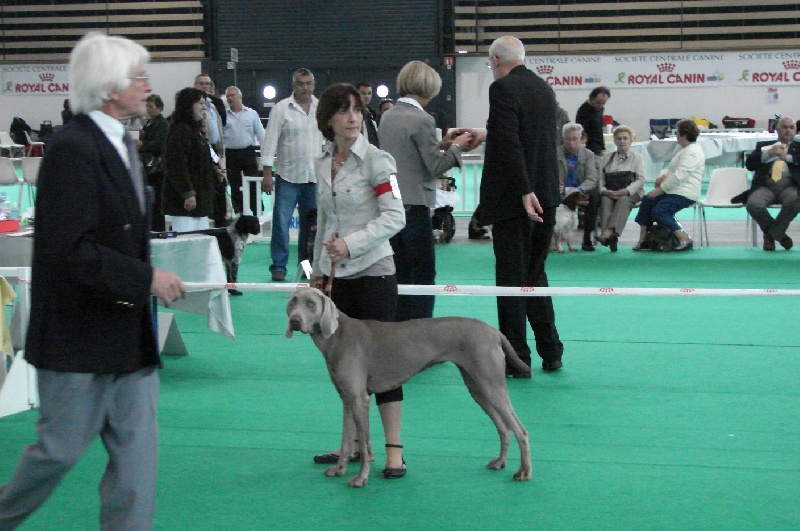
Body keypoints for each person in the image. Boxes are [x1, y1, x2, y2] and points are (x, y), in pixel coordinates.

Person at [0, 32, 186, 530]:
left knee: (136, 466)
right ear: (109, 88)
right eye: (139, 76)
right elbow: (68, 250)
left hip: (127, 340)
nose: (148, 84)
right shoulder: (71, 149)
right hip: (76, 338)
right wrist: (146, 277)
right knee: (56, 453)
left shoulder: (124, 143)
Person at [308, 83, 407, 478]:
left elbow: (395, 217)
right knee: (345, 368)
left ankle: (394, 450)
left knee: (384, 366)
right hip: (337, 279)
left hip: (374, 273)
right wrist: (317, 270)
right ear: (328, 118)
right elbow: (325, 222)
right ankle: (348, 446)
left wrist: (351, 245)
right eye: (343, 111)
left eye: (357, 110)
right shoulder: (321, 162)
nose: (352, 118)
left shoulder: (378, 161)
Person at [474, 36, 564, 376]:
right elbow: (528, 138)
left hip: (517, 201)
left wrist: (524, 190)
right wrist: (485, 134)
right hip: (547, 197)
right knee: (535, 274)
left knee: (511, 280)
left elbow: (511, 143)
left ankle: (516, 358)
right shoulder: (544, 89)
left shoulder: (501, 90)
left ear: (496, 60)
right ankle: (551, 350)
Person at [378, 61, 474, 321]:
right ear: (429, 87)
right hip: (415, 207)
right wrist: (457, 148)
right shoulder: (423, 119)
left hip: (390, 206)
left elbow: (408, 154)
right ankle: (420, 336)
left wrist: (441, 143)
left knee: (399, 272)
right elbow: (434, 166)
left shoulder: (388, 116)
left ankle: (397, 330)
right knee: (422, 275)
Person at [260, 68, 322, 281]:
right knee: (280, 224)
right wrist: (267, 173)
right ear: (294, 85)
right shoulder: (280, 109)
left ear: (313, 85)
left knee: (310, 228)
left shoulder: (321, 108)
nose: (305, 87)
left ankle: (306, 267)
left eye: (308, 83)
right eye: (301, 83)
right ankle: (278, 266)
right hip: (287, 176)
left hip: (314, 177)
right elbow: (269, 142)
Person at [633, 119, 703, 251]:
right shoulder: (686, 150)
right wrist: (664, 177)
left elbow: (679, 176)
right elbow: (677, 171)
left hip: (685, 193)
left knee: (660, 211)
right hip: (676, 190)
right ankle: (643, 238)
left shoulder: (692, 152)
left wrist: (660, 190)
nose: (676, 135)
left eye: (677, 133)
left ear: (684, 135)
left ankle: (683, 237)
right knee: (648, 200)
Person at [163, 87, 224, 232]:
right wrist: (188, 193)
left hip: (200, 203)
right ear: (189, 106)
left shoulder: (195, 132)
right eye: (200, 103)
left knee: (200, 244)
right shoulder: (180, 131)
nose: (204, 108)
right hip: (186, 205)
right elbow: (176, 166)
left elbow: (200, 161)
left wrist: (214, 170)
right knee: (187, 244)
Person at [744, 116, 800, 251]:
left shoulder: (798, 147)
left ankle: (771, 235)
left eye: (791, 127)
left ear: (796, 131)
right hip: (765, 185)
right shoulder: (763, 145)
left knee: (795, 201)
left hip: (790, 185)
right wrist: (768, 153)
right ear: (777, 130)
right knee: (753, 205)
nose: (788, 130)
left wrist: (786, 157)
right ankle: (779, 235)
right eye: (785, 127)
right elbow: (749, 164)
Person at [596, 125, 645, 252]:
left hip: (631, 193)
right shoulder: (607, 158)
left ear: (631, 140)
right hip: (610, 191)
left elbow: (641, 179)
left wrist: (626, 191)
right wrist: (603, 190)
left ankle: (608, 232)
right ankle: (611, 236)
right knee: (605, 200)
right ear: (615, 141)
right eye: (619, 139)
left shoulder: (638, 158)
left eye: (625, 138)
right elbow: (600, 178)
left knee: (623, 200)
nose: (622, 141)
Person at [557, 122, 599, 251]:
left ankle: (587, 237)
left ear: (580, 139)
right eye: (568, 139)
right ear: (563, 139)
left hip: (580, 190)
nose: (571, 142)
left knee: (594, 196)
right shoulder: (554, 153)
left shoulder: (588, 155)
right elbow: (547, 174)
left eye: (574, 139)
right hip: (560, 189)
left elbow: (592, 179)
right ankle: (550, 238)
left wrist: (578, 189)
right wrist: (555, 185)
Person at [223, 85, 265, 216]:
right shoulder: (223, 115)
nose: (230, 98)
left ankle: (258, 211)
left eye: (232, 95)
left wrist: (266, 153)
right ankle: (239, 212)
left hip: (248, 152)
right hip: (231, 153)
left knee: (253, 182)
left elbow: (261, 134)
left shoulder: (251, 114)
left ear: (240, 97)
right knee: (235, 185)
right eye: (228, 96)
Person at [194, 73, 227, 226]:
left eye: (207, 83)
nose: (205, 86)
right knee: (209, 181)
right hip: (201, 147)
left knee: (220, 181)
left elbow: (222, 123)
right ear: (196, 86)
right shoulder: (194, 105)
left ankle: (220, 217)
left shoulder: (214, 105)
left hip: (215, 148)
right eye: (201, 83)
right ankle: (208, 215)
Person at [137, 93, 168, 231]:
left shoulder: (162, 124)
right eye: (147, 106)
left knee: (156, 203)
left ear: (159, 108)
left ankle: (158, 229)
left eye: (151, 106)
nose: (148, 109)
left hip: (157, 168)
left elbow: (159, 145)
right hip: (148, 166)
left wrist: (142, 144)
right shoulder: (149, 123)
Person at [575, 86, 610, 156]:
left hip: (598, 147)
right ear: (592, 98)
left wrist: (602, 147)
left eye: (603, 103)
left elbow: (599, 129)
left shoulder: (600, 109)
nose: (600, 106)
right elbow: (583, 132)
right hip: (588, 147)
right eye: (598, 103)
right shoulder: (584, 111)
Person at [355, 81, 379, 146]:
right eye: (363, 93)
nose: (367, 96)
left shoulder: (373, 113)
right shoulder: (353, 114)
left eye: (369, 93)